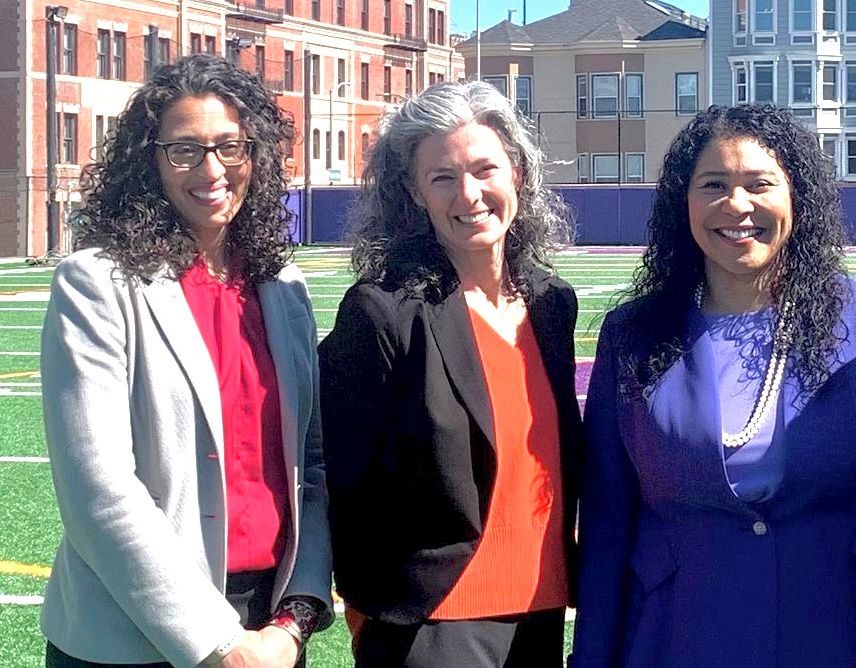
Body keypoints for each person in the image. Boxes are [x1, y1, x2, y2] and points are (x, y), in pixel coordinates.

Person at [570, 104, 856, 667]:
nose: (736, 205)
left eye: (759, 184)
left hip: (841, 630)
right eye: (713, 185)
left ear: (796, 195)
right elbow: (606, 522)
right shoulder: (634, 335)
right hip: (680, 635)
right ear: (684, 202)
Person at [39, 55, 332, 667]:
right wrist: (218, 643)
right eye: (184, 150)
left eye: (232, 147)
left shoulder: (283, 286)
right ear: (149, 161)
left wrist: (293, 619)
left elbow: (312, 466)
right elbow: (99, 490)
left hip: (268, 628)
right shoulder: (96, 285)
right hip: (135, 634)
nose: (212, 169)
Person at [318, 80, 582, 667]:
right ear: (414, 192)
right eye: (443, 177)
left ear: (517, 170)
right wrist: (370, 613)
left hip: (542, 614)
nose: (470, 194)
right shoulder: (382, 312)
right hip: (433, 628)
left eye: (485, 168)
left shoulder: (551, 303)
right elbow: (339, 475)